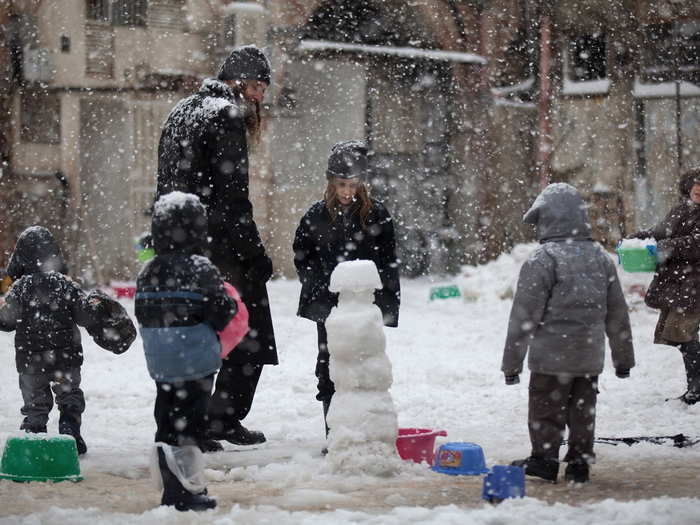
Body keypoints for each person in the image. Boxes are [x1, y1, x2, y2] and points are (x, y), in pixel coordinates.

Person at [155, 45, 277, 449]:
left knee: (194, 335)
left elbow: (165, 186)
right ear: (239, 84)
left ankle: (186, 422)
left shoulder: (181, 111)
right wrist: (254, 254)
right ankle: (220, 420)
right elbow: (231, 196)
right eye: (258, 87)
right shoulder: (226, 115)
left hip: (179, 246)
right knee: (247, 333)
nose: (260, 96)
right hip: (221, 249)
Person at [501, 183, 635, 484]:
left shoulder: (542, 260)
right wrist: (623, 358)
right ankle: (579, 463)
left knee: (546, 410)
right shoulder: (601, 258)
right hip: (588, 357)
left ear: (548, 219)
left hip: (550, 358)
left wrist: (511, 365)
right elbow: (617, 313)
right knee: (582, 411)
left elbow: (523, 317)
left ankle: (544, 461)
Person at [135, 192, 237, 512]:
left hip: (161, 361)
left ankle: (170, 482)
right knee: (190, 423)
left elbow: (141, 311)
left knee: (166, 418)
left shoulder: (148, 270)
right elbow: (221, 312)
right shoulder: (201, 268)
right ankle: (187, 490)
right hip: (195, 360)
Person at [293, 140, 401, 437]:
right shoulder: (316, 215)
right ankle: (335, 432)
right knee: (329, 366)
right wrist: (320, 293)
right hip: (330, 307)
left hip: (366, 305)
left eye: (353, 185)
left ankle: (366, 428)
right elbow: (303, 256)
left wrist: (385, 305)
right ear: (331, 182)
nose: (347, 192)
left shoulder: (377, 215)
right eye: (341, 184)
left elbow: (389, 261)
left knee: (365, 366)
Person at [0, 226, 136, 455]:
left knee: (35, 403)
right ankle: (70, 430)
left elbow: (6, 321)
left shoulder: (19, 288)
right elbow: (85, 316)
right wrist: (97, 307)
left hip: (30, 359)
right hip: (66, 358)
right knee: (69, 395)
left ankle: (33, 437)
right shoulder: (65, 284)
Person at [627, 166, 700, 405]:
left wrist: (668, 246)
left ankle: (697, 390)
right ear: (688, 188)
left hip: (694, 284)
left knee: (683, 333)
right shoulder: (680, 210)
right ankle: (695, 386)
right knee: (676, 335)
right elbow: (661, 232)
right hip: (678, 283)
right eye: (695, 185)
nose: (699, 189)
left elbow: (695, 243)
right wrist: (643, 236)